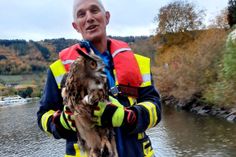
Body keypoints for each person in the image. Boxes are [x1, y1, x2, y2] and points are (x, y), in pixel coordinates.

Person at [37, 0, 161, 156]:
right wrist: (61, 121)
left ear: (106, 17)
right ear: (76, 25)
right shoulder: (58, 69)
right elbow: (42, 117)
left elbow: (155, 109)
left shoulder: (138, 63)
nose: (89, 18)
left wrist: (129, 116)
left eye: (94, 10)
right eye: (81, 14)